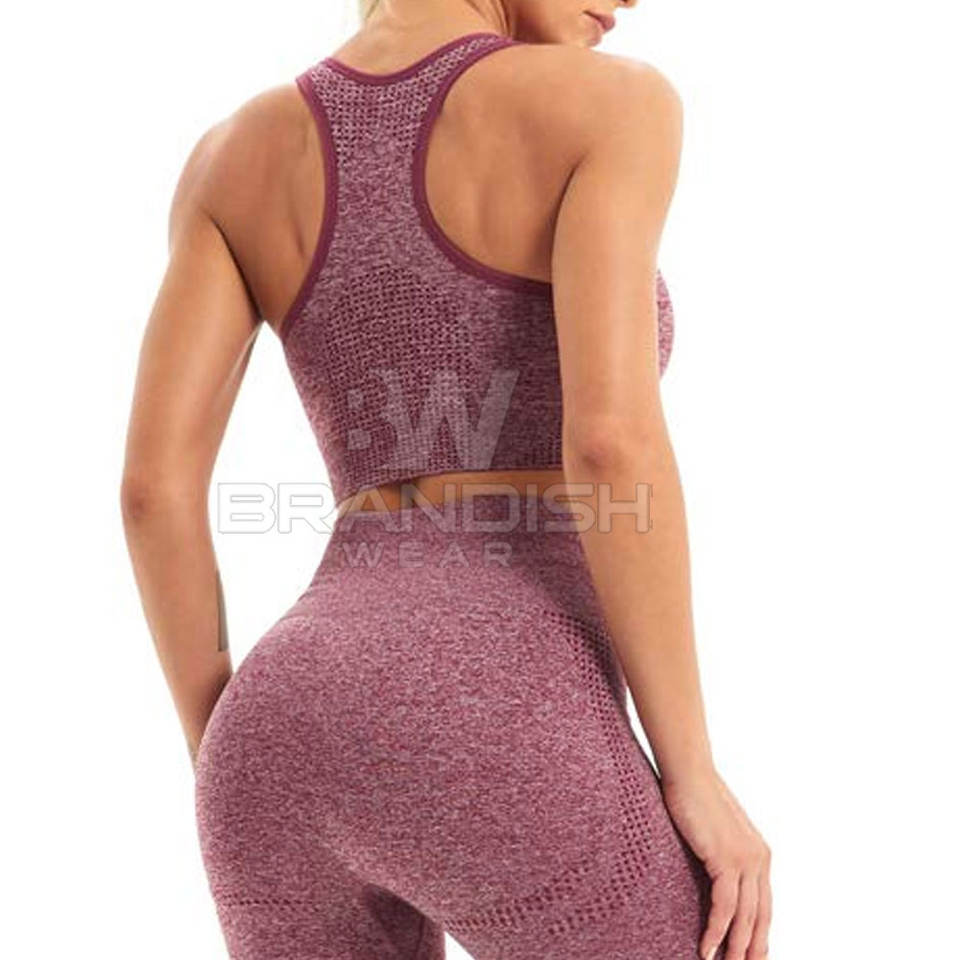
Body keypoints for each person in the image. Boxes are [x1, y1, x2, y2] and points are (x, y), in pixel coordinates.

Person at [120, 1, 772, 958]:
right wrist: (694, 773)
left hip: (269, 720)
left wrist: (226, 746)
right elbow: (609, 446)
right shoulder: (611, 105)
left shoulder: (230, 157)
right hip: (499, 705)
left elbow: (154, 491)